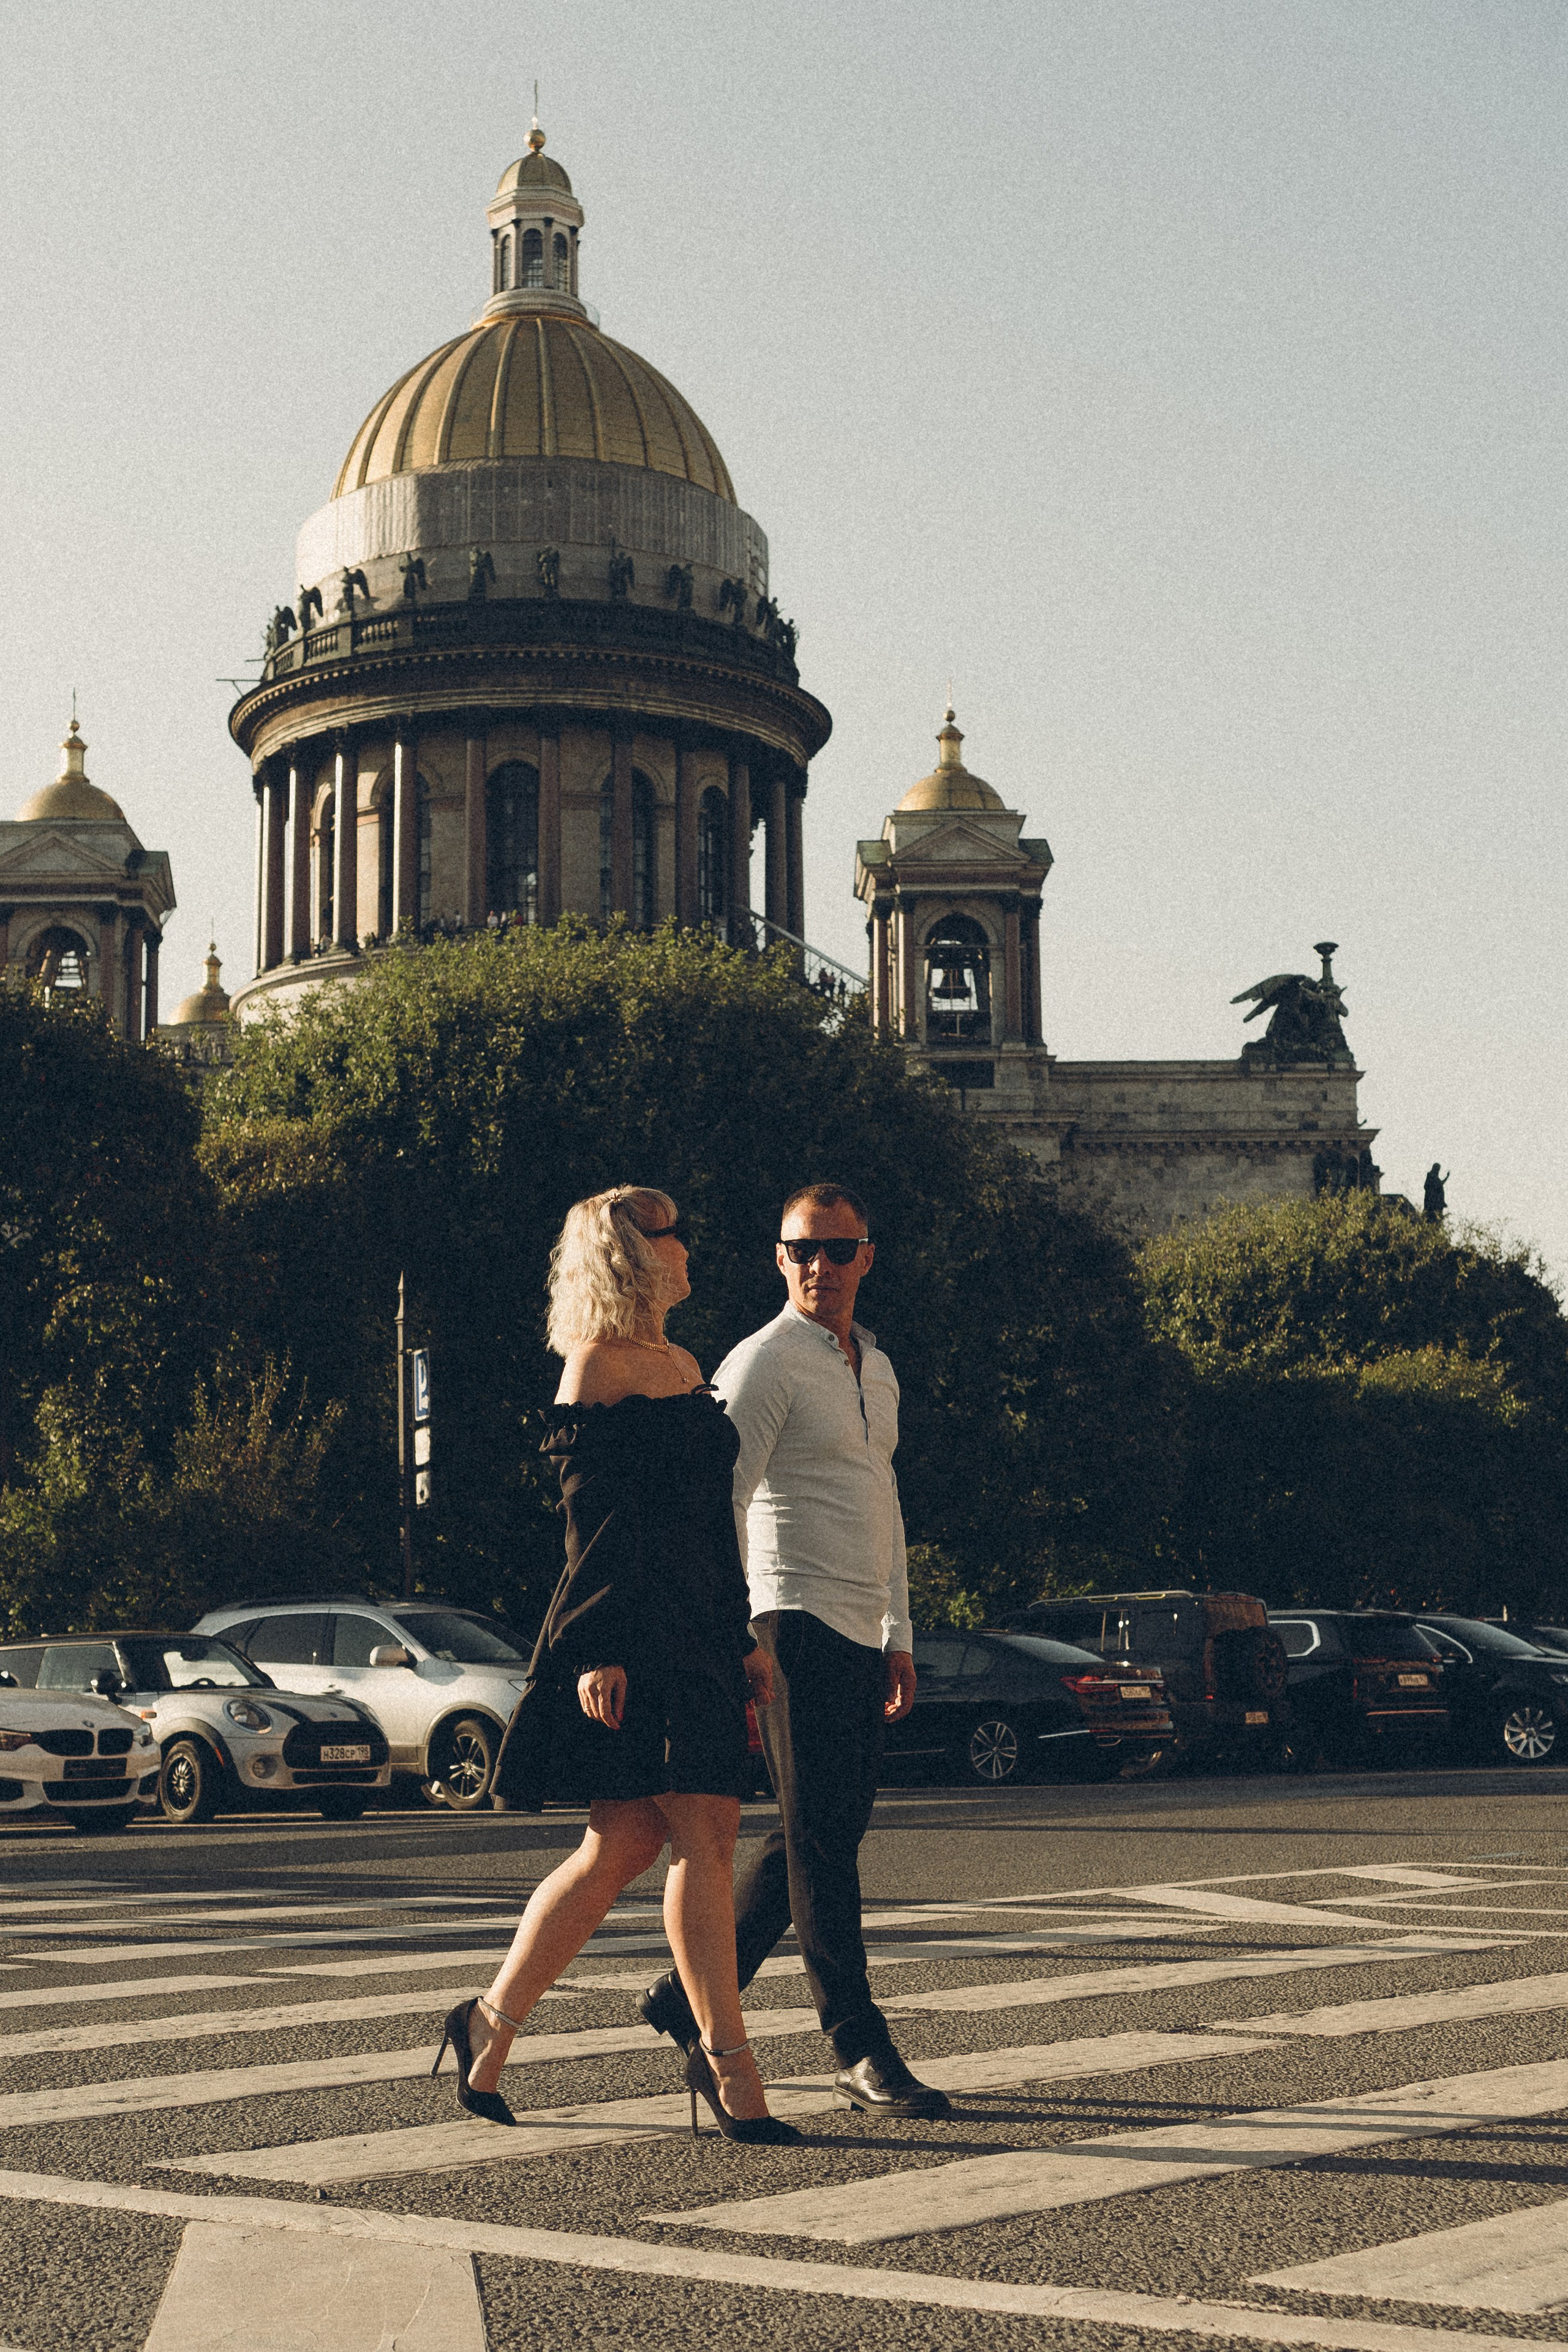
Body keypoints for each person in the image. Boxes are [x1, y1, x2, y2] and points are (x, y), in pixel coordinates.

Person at [434, 1185, 799, 2147]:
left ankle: (487, 2025)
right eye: (674, 1235)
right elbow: (590, 1528)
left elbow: (707, 1525)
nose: (689, 1247)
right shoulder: (594, 1366)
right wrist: (596, 1648)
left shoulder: (682, 1363)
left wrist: (741, 1635)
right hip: (631, 1635)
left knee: (624, 1844)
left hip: (701, 1630)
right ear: (635, 1254)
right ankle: (728, 2059)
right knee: (705, 1834)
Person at [639, 1181, 952, 2119]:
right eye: (802, 1249)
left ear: (867, 1257)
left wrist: (898, 1632)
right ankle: (857, 2045)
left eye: (839, 1249)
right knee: (821, 1843)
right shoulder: (763, 1361)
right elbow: (717, 1497)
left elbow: (884, 1502)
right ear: (779, 1259)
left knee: (821, 1835)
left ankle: (685, 1999)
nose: (821, 1266)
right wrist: (736, 1630)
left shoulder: (877, 1368)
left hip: (860, 1627)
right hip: (789, 1619)